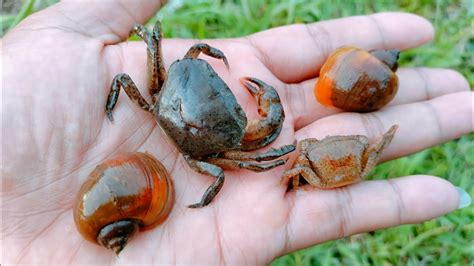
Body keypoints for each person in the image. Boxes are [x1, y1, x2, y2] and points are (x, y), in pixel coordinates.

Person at [2, 1, 472, 264]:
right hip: (194, 149)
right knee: (238, 161)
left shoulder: (164, 80)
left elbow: (156, 51)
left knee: (152, 54)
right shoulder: (233, 143)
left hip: (163, 108)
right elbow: (263, 146)